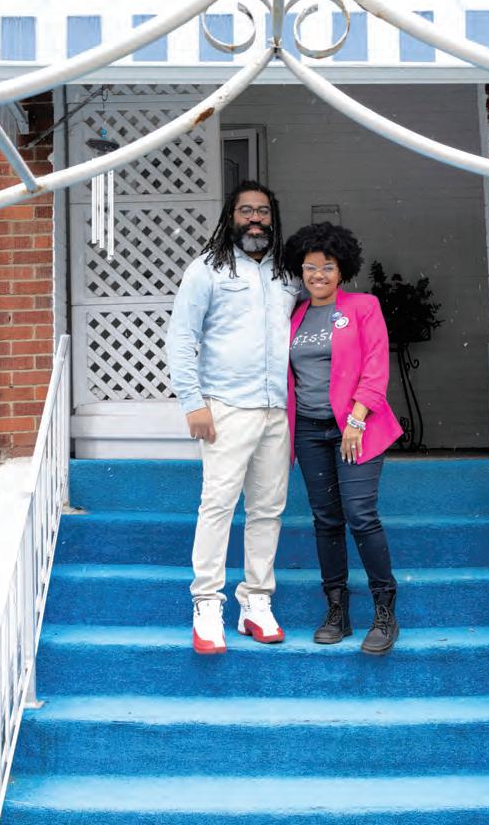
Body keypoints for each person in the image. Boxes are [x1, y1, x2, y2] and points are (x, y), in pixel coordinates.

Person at [166, 180, 298, 654]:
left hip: (276, 411)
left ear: (273, 217)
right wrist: (193, 403)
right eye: (246, 210)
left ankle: (256, 602)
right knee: (218, 506)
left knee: (268, 510)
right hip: (225, 407)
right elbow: (181, 337)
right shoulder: (207, 269)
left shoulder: (288, 274)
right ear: (231, 216)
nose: (255, 219)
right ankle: (207, 604)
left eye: (263, 211)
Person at [282, 223, 404, 655]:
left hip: (356, 426)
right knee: (326, 520)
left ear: (342, 269)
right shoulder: (294, 314)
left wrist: (356, 418)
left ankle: (384, 611)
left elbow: (375, 365)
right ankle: (337, 610)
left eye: (328, 266)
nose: (318, 274)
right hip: (309, 430)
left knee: (360, 514)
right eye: (310, 267)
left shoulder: (363, 306)